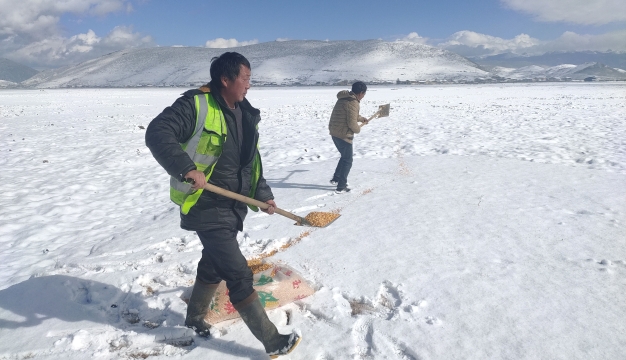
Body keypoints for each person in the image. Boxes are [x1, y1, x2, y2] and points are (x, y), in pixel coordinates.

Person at [145, 52, 300, 357]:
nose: (249, 85)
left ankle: (193, 318)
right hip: (205, 205)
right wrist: (186, 168)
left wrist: (263, 194)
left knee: (213, 262)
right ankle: (272, 341)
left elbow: (250, 163)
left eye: (250, 78)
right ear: (225, 79)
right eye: (245, 78)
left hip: (234, 205)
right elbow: (157, 132)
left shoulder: (244, 112)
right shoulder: (195, 105)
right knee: (237, 273)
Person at [328, 81, 369, 193]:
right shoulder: (353, 102)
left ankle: (336, 178)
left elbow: (352, 115)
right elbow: (352, 123)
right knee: (348, 160)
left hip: (335, 132)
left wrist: (361, 119)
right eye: (364, 94)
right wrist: (358, 129)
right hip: (344, 135)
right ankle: (341, 186)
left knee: (344, 157)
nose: (364, 96)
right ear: (360, 93)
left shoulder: (344, 98)